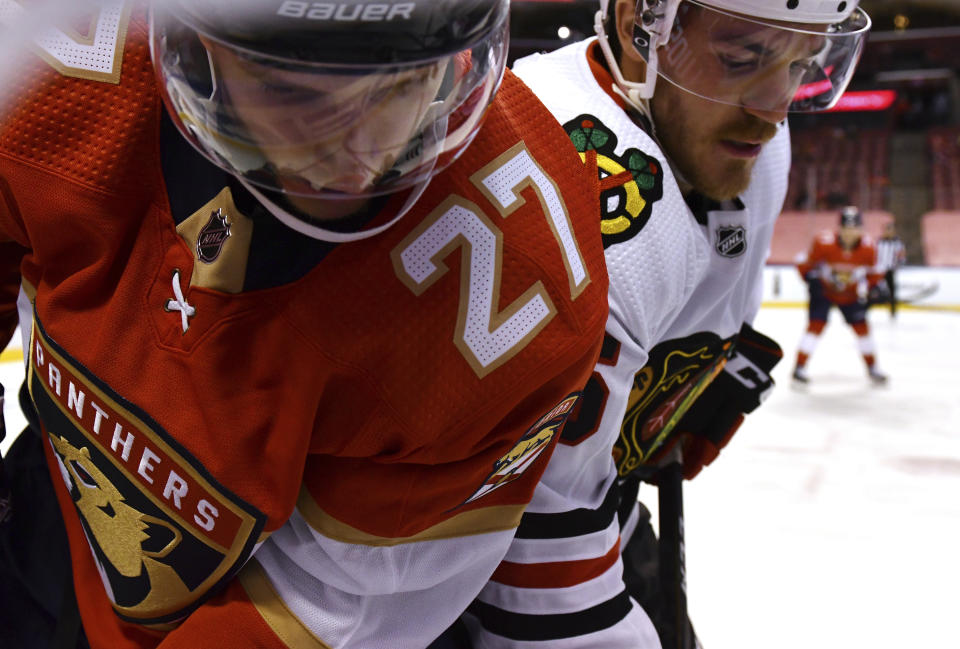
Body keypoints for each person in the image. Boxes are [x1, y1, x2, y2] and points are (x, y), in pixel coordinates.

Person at [0, 2, 611, 648]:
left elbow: (319, 613)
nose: (360, 159)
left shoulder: (513, 283)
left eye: (402, 83)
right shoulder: (56, 60)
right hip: (63, 495)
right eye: (292, 89)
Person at [449, 0, 871, 647]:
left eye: (801, 64)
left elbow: (722, 294)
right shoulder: (579, 220)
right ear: (639, 27)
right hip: (447, 558)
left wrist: (698, 382)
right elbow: (538, 557)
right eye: (743, 58)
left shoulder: (751, 140)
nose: (776, 105)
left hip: (579, 503)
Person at [792, 206, 888, 385]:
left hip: (850, 295)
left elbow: (875, 273)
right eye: (846, 228)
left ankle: (872, 367)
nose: (850, 233)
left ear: (861, 229)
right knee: (815, 326)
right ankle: (799, 367)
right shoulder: (823, 243)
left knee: (863, 329)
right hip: (824, 292)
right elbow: (802, 262)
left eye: (854, 228)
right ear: (840, 228)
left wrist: (875, 288)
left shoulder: (869, 248)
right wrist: (811, 278)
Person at [875, 220, 907, 318]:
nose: (889, 232)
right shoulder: (878, 242)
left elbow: (902, 257)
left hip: (890, 271)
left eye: (891, 230)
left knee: (892, 291)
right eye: (887, 230)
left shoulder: (898, 243)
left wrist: (899, 263)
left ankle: (893, 312)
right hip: (878, 271)